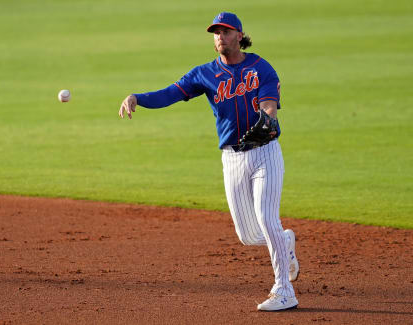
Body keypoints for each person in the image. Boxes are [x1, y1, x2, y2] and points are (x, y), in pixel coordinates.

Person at [119, 12, 300, 311]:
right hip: (232, 159)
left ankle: (284, 291)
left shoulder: (260, 67)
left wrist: (266, 120)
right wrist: (138, 97)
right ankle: (284, 242)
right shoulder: (205, 74)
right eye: (216, 32)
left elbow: (269, 104)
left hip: (265, 153)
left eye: (226, 32)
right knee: (248, 235)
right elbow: (171, 93)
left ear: (239, 35)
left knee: (267, 218)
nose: (220, 37)